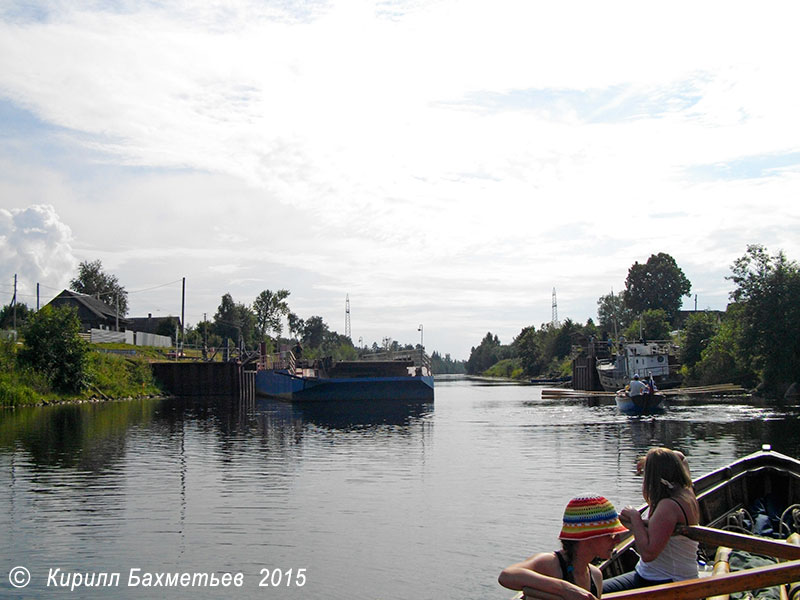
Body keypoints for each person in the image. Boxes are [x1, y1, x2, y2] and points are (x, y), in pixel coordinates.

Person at [602, 448, 700, 594]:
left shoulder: (668, 506)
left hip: (667, 581)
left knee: (594, 590)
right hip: (672, 575)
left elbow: (648, 554)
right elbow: (681, 457)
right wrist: (650, 460)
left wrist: (635, 518)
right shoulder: (687, 491)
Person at [499, 495, 627, 599]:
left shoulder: (595, 575)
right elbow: (506, 576)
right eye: (610, 535)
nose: (617, 540)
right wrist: (565, 589)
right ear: (587, 537)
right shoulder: (550, 563)